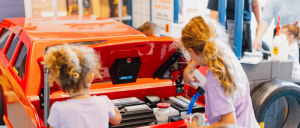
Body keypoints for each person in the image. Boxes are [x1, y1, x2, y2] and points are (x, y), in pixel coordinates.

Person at [182, 16, 259, 128]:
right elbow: (203, 51)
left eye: (190, 54)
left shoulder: (215, 79)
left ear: (192, 51)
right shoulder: (227, 54)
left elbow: (229, 124)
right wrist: (189, 67)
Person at [43, 44, 122, 128]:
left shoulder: (58, 108)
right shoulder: (104, 102)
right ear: (90, 77)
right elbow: (117, 120)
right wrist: (111, 105)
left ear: (59, 81)